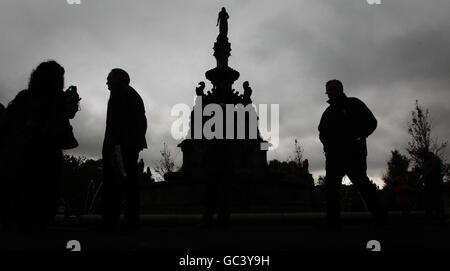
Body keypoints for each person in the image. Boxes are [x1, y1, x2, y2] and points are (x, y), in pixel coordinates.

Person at [0, 60, 79, 231]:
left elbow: (6, 123)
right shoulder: (54, 100)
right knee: (44, 190)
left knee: (28, 192)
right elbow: (66, 118)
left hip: (26, 152)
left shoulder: (25, 96)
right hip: (43, 151)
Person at [318, 79, 386, 230]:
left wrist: (358, 137)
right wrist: (327, 146)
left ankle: (381, 218)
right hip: (334, 157)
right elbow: (321, 132)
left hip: (354, 154)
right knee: (331, 190)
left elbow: (371, 122)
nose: (330, 92)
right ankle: (333, 223)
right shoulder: (327, 113)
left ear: (341, 89)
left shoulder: (354, 104)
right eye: (328, 89)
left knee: (363, 185)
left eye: (333, 89)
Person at [101, 68, 147, 231]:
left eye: (109, 78)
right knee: (130, 183)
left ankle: (110, 222)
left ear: (118, 78)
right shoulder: (133, 94)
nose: (106, 81)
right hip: (130, 144)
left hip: (119, 145)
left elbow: (114, 121)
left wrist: (113, 146)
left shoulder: (118, 91)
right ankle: (132, 221)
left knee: (113, 184)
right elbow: (142, 122)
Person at [420, 151, 445, 223]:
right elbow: (425, 171)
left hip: (436, 184)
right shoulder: (425, 162)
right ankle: (429, 218)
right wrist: (420, 171)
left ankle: (440, 218)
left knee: (437, 201)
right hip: (428, 184)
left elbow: (433, 171)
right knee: (428, 202)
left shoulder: (435, 160)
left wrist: (425, 176)